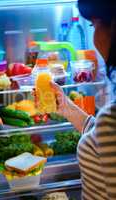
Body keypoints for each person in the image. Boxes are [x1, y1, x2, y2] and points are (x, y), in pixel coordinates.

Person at [49, 0, 116, 199]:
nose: (95, 36)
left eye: (94, 25)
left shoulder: (111, 120)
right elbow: (101, 137)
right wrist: (67, 107)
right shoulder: (108, 125)